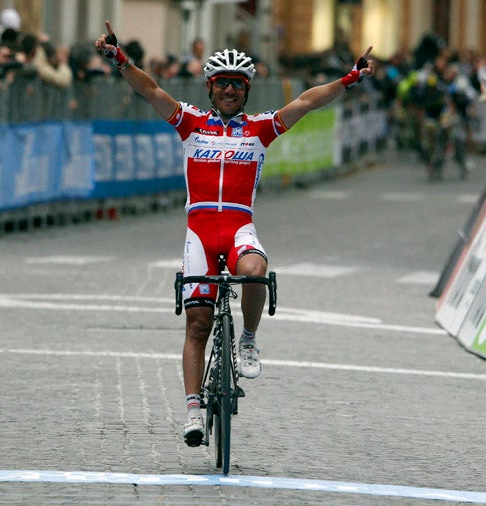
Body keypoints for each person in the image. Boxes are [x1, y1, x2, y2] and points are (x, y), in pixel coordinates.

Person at [95, 20, 374, 446]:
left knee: (256, 268)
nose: (229, 91)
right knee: (197, 325)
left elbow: (306, 101)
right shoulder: (190, 123)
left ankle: (247, 339)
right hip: (200, 233)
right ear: (210, 88)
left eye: (238, 85)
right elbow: (151, 90)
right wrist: (120, 60)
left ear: (246, 90)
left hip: (240, 225)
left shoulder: (260, 128)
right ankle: (192, 410)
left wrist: (350, 79)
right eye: (222, 84)